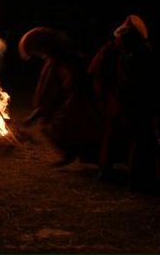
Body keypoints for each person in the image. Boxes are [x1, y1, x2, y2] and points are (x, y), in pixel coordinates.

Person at [88, 15, 160, 190]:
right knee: (138, 139)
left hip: (118, 102)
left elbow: (97, 74)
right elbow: (153, 79)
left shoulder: (111, 48)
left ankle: (107, 170)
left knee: (114, 136)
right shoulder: (138, 50)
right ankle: (137, 177)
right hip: (133, 102)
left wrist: (104, 96)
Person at [19, 27, 102, 166]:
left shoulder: (65, 63)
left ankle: (78, 153)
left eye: (38, 50)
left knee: (55, 127)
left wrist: (37, 114)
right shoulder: (57, 63)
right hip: (73, 104)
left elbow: (57, 91)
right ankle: (80, 153)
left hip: (77, 106)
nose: (40, 54)